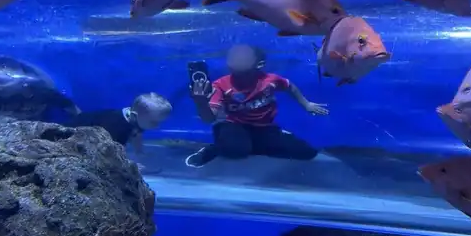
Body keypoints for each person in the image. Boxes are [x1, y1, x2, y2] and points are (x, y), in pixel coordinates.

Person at [185, 43, 327, 168]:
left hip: (263, 128)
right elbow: (209, 119)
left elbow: (289, 86)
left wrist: (306, 104)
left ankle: (252, 144)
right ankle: (215, 148)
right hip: (234, 125)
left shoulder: (270, 80)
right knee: (235, 151)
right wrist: (201, 102)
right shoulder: (220, 85)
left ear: (259, 64)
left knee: (307, 153)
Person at [74, 92, 172, 152]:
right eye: (154, 122)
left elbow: (137, 134)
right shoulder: (117, 128)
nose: (157, 126)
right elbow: (114, 152)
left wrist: (139, 152)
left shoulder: (138, 119)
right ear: (134, 115)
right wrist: (127, 166)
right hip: (76, 129)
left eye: (159, 122)